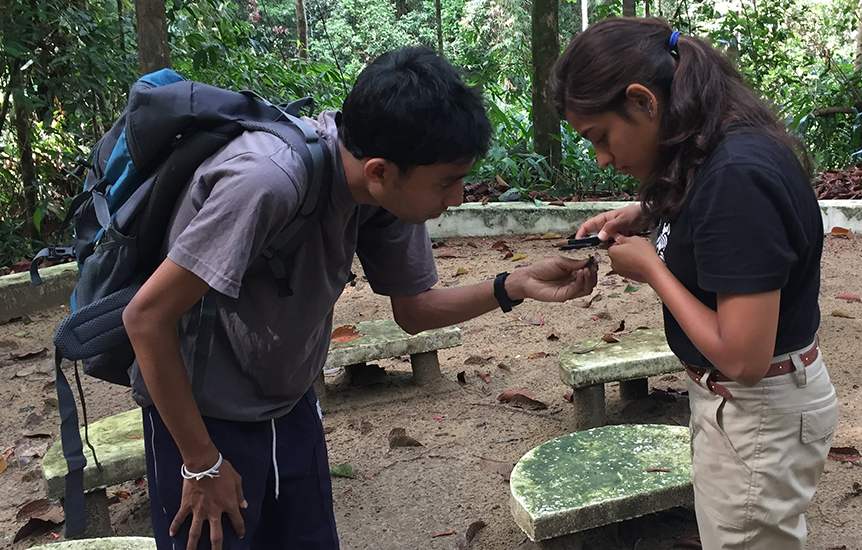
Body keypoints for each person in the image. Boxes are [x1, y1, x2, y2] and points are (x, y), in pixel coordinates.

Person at [121, 46, 598, 550]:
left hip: (291, 404)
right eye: (447, 181)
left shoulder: (385, 192)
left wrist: (515, 284)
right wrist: (200, 463)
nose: (458, 197)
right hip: (203, 419)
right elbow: (146, 318)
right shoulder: (265, 183)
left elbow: (414, 311)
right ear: (379, 170)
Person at [553, 18, 838, 549]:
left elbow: (743, 357)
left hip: (757, 410)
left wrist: (653, 271)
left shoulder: (736, 176)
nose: (603, 158)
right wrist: (648, 212)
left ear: (643, 102)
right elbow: (709, 212)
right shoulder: (713, 150)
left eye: (601, 137)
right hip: (748, 409)